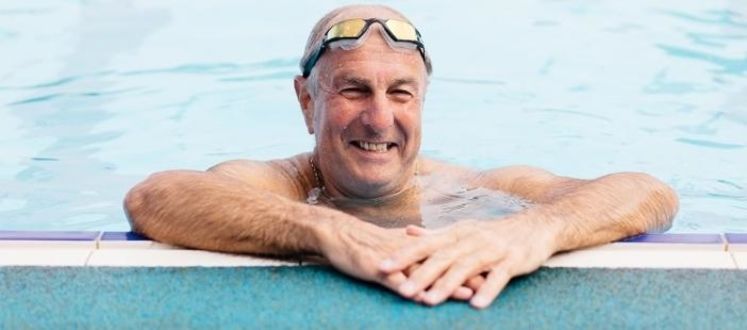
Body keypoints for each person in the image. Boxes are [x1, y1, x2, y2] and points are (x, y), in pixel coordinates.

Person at [124, 4, 679, 309]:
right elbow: (156, 198)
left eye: (400, 94)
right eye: (353, 90)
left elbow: (650, 193)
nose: (379, 119)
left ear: (423, 101)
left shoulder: (468, 191)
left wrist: (537, 229)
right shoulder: (283, 187)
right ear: (306, 99)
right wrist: (323, 230)